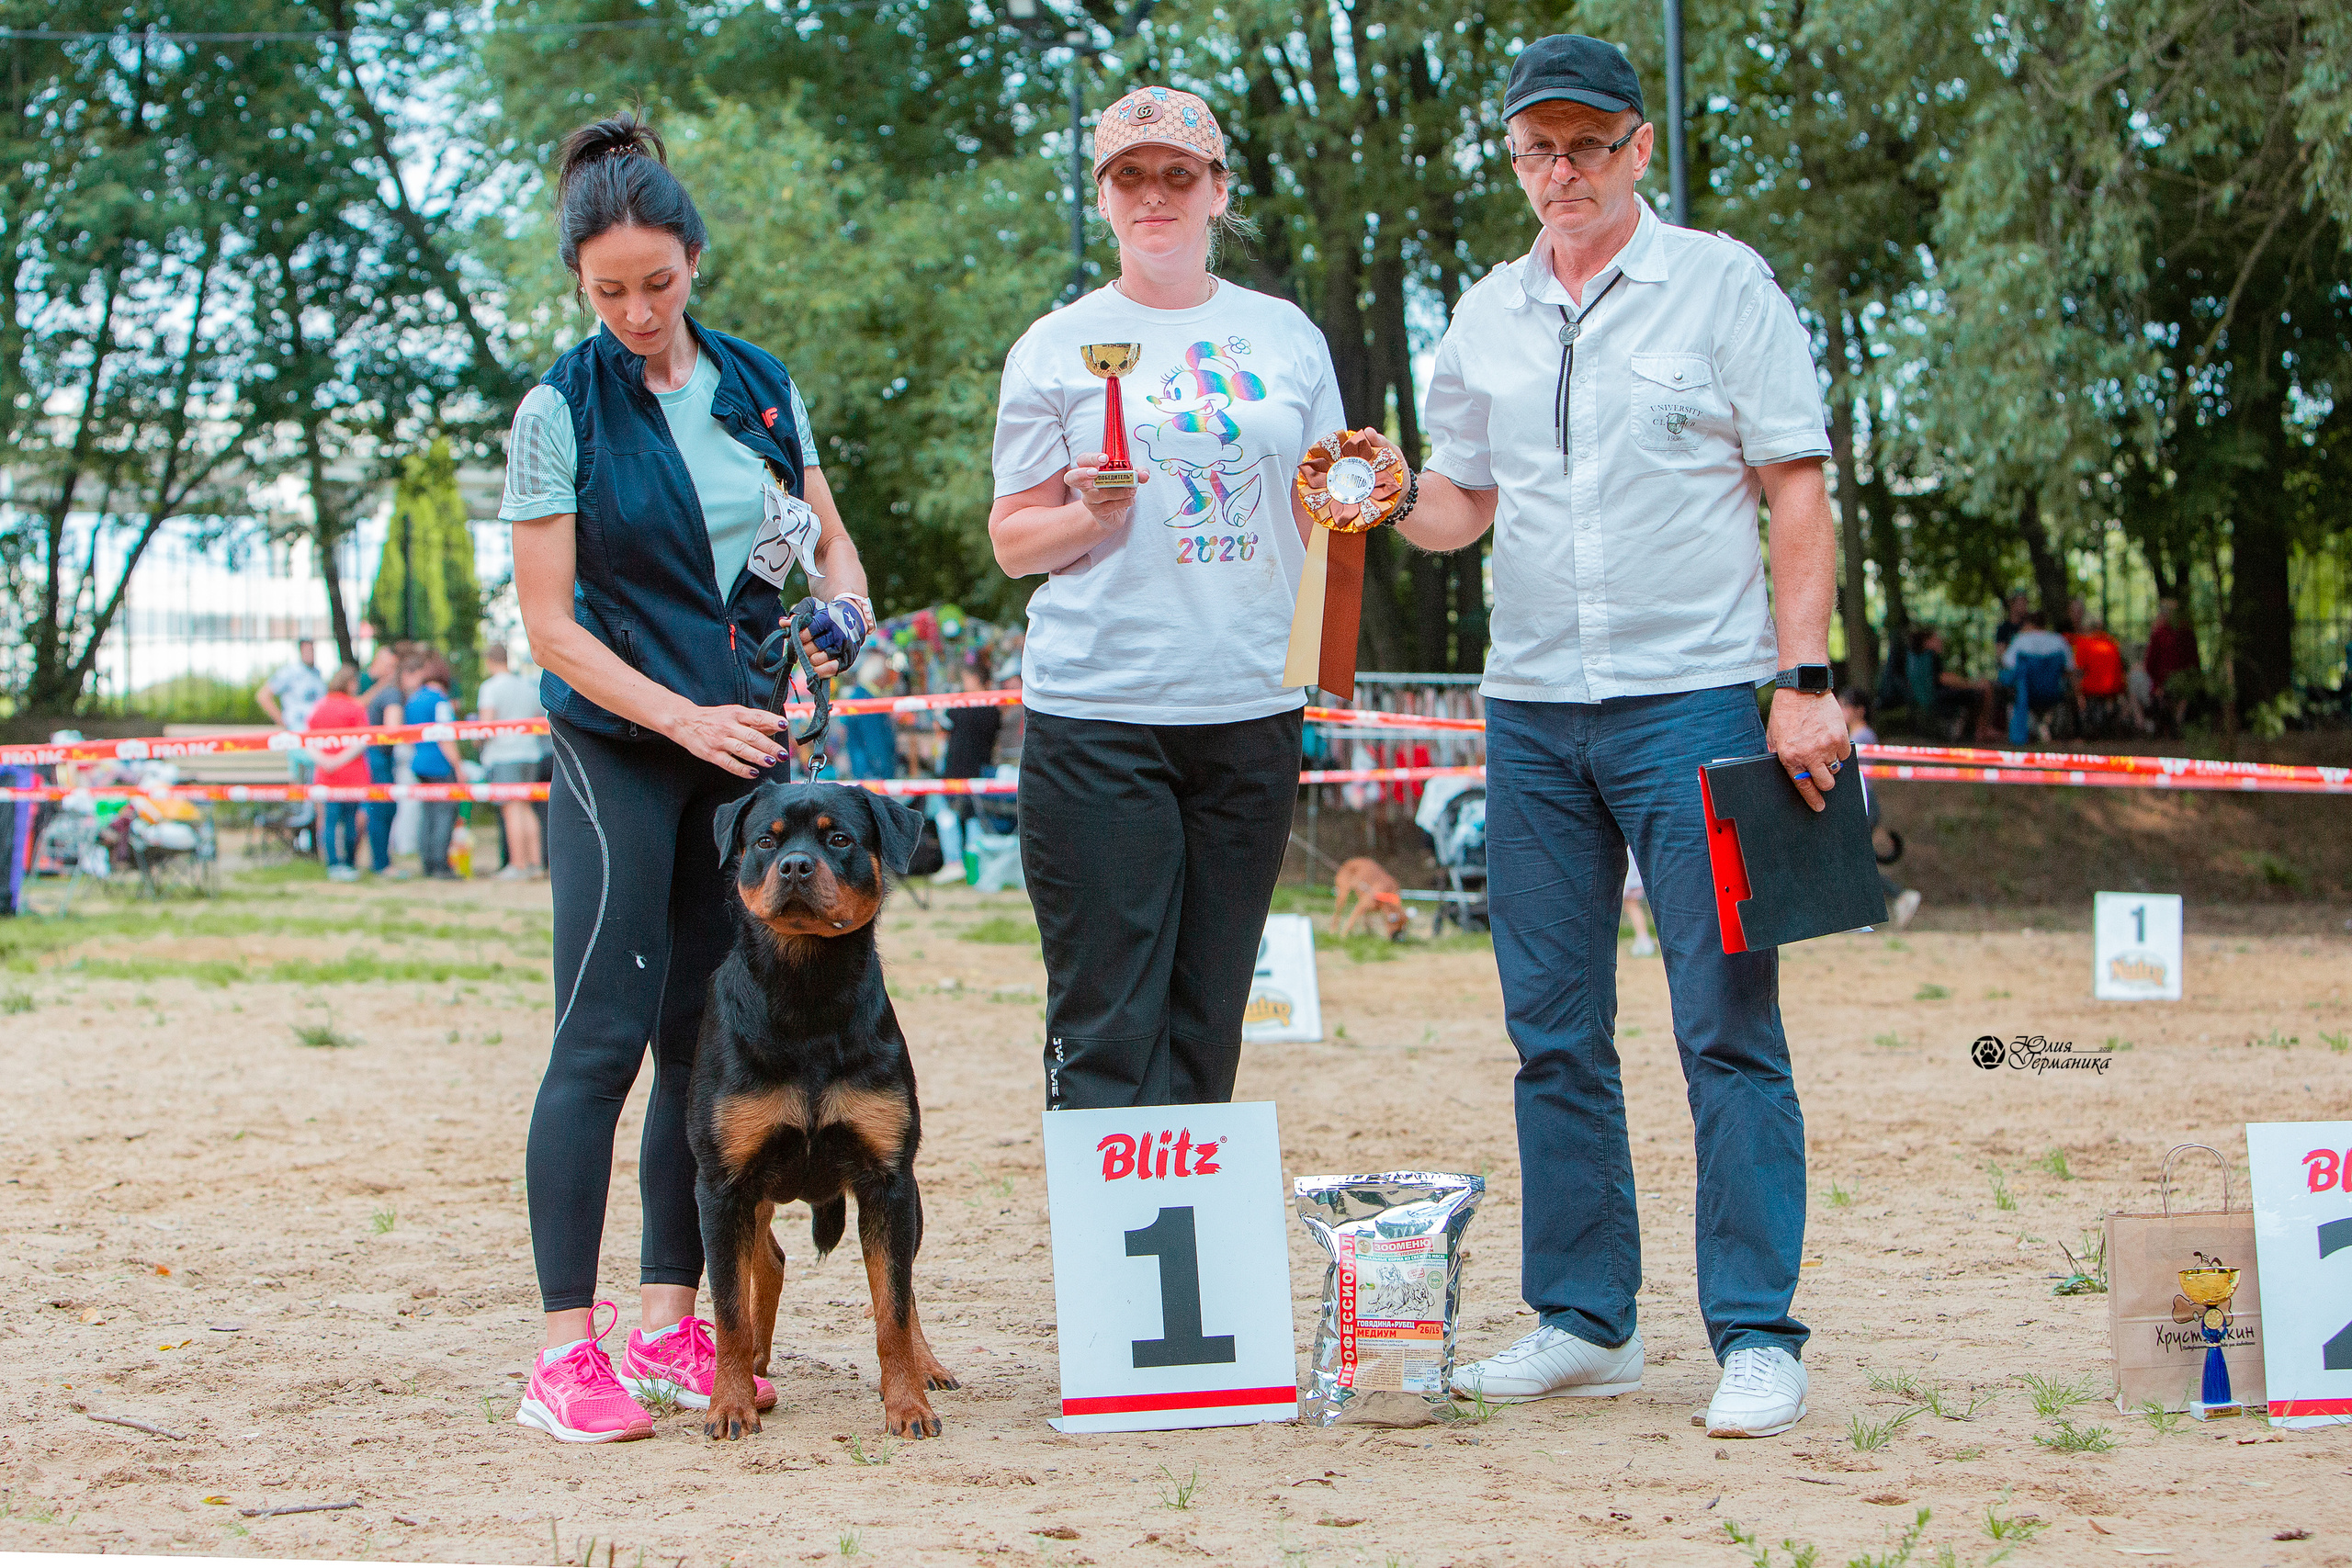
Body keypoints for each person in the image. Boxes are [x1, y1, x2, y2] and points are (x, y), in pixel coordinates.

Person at [1370, 34, 1839, 1438]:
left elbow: (1796, 487)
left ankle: (1756, 1331)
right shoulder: (1483, 314)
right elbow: (1463, 503)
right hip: (1528, 712)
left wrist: (1805, 678)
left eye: (1587, 143)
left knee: (1727, 1024)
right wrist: (1386, 490)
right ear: (1515, 160)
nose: (1561, 169)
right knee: (1552, 1030)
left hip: (1698, 698)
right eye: (1538, 148)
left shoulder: (1723, 283)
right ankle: (1589, 1319)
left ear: (1639, 148)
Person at [503, 112, 875, 1444]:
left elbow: (831, 545)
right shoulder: (557, 409)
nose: (637, 312)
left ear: (695, 262)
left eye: (658, 283)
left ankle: (671, 1324)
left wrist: (842, 610)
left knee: (703, 1046)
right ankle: (565, 1353)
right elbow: (551, 625)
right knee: (600, 1038)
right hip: (620, 750)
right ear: (579, 282)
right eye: (608, 291)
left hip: (748, 755)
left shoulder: (761, 384)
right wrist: (683, 718)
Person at [989, 84, 1344, 1111]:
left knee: (1208, 1012)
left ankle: (1191, 1213)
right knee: (1106, 1014)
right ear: (1102, 197)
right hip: (1100, 713)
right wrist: (1088, 516)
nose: (1155, 194)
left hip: (1250, 711)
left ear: (1217, 191)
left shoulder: (1285, 335)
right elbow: (1012, 540)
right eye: (1131, 176)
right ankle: (1111, 1217)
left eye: (1178, 175)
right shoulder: (1055, 343)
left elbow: (1328, 510)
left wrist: (1323, 653)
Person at [1840, 685, 1920, 930]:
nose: (1841, 710)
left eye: (1845, 706)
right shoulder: (1857, 736)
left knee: (1851, 860)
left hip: (1862, 801)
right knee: (1852, 860)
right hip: (1860, 801)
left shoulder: (1862, 737)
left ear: (1859, 710)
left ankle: (1899, 896)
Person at [476, 644, 548, 880]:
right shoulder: (526, 686)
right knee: (526, 808)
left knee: (511, 810)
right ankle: (536, 863)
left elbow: (486, 726)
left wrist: (477, 740)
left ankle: (518, 865)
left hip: (504, 755)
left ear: (489, 661)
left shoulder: (490, 688)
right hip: (530, 753)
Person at [400, 652, 465, 879]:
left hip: (419, 762)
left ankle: (428, 862)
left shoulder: (414, 699)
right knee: (444, 814)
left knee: (428, 814)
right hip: (439, 764)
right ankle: (440, 865)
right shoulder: (440, 700)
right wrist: (458, 766)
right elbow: (445, 737)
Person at [308, 666, 373, 883]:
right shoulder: (355, 707)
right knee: (351, 821)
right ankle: (349, 863)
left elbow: (308, 740)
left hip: (326, 774)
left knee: (329, 821)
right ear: (350, 683)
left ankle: (333, 864)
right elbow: (362, 740)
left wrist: (326, 761)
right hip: (352, 774)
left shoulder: (319, 707)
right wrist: (340, 760)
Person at [357, 644, 405, 875]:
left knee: (375, 809)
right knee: (382, 809)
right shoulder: (387, 692)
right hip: (378, 756)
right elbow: (392, 731)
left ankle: (375, 861)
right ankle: (381, 863)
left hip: (372, 756)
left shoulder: (381, 691)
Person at [1997, 606, 2075, 743]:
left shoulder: (2021, 640)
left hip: (2027, 693)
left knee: (2008, 684)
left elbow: (2006, 663)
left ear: (2029, 623)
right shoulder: (2059, 641)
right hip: (2054, 692)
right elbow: (2070, 668)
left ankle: (2020, 731)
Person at [1907, 627, 1996, 740]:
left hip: (1923, 701)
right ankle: (1981, 731)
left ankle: (1973, 731)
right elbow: (1944, 678)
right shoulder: (1929, 655)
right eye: (1936, 638)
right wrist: (1973, 684)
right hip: (1935, 699)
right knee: (1980, 692)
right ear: (1927, 641)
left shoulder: (1914, 658)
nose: (1940, 641)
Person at [837, 649, 898, 782]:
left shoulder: (861, 696)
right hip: (871, 772)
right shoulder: (867, 701)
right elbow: (874, 740)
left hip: (865, 769)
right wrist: (883, 771)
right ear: (878, 677)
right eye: (885, 675)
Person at [2144, 596, 2200, 734]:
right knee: (2182, 692)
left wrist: (2158, 682)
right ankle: (2176, 722)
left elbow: (2150, 664)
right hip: (2180, 682)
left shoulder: (2160, 634)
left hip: (2166, 682)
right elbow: (2195, 662)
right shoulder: (2186, 633)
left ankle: (2171, 722)